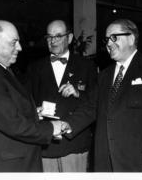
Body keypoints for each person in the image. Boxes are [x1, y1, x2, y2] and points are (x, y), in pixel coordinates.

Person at [62, 19, 142, 172]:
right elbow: (90, 108)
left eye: (114, 37)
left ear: (131, 38)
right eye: (107, 39)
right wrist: (66, 125)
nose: (108, 43)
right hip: (106, 160)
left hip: (140, 160)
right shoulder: (104, 76)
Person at [0, 20, 63, 172]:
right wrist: (52, 128)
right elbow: (13, 125)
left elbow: (4, 110)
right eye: (14, 42)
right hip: (4, 166)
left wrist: (33, 113)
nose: (19, 48)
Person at [25, 20, 97, 172]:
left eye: (58, 36)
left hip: (75, 144)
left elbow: (96, 103)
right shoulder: (34, 68)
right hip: (46, 144)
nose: (53, 41)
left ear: (69, 38)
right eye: (49, 37)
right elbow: (26, 102)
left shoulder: (86, 66)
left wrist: (78, 93)